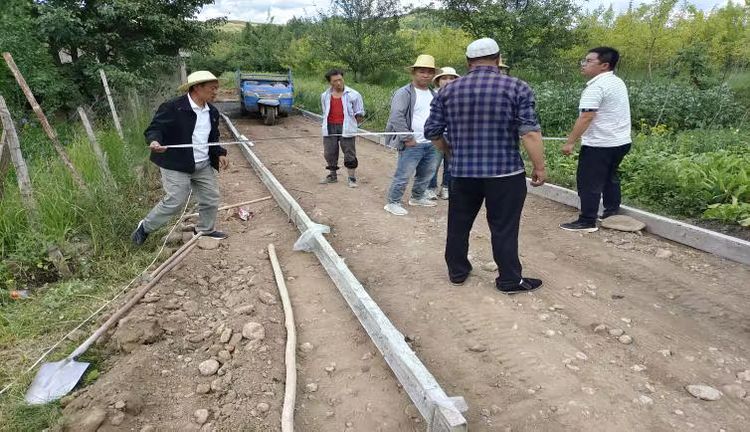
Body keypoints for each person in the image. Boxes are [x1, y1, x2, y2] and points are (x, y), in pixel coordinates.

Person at [424, 38, 546, 294]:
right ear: (498, 59)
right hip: (505, 173)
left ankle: (457, 272)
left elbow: (432, 131)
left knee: (458, 223)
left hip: (462, 173)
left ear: (468, 62)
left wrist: (448, 150)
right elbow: (529, 132)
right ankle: (509, 280)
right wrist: (539, 166)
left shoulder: (448, 91)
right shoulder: (517, 87)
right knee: (504, 227)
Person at [131, 71, 229, 245]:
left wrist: (219, 152)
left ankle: (205, 230)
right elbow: (155, 128)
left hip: (203, 164)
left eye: (216, 88)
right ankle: (145, 227)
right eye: (212, 88)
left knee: (210, 198)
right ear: (197, 88)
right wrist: (155, 141)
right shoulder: (173, 107)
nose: (216, 92)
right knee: (175, 201)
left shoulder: (212, 112)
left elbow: (213, 137)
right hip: (176, 163)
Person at [560, 47, 631, 232]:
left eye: (589, 61)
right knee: (610, 177)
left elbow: (586, 117)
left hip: (600, 144)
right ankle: (611, 212)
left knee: (589, 181)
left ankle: (587, 220)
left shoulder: (596, 87)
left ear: (604, 65)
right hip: (620, 141)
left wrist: (570, 142)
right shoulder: (616, 82)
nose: (583, 64)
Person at [383, 54, 439, 216]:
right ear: (414, 73)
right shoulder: (404, 93)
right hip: (412, 143)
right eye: (422, 71)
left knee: (427, 173)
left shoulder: (434, 94)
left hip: (431, 142)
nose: (426, 75)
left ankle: (417, 197)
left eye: (429, 72)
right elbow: (396, 116)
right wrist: (407, 138)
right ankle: (393, 202)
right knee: (404, 174)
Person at [319, 68, 365, 188]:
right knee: (329, 152)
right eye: (335, 81)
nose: (338, 83)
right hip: (330, 127)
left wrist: (357, 121)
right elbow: (325, 111)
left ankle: (351, 178)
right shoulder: (325, 96)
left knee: (349, 153)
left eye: (340, 79)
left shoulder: (354, 95)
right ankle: (332, 176)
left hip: (346, 127)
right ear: (330, 82)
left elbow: (359, 112)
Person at [427, 66, 460, 201]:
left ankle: (446, 187)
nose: (448, 81)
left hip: (453, 135)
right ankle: (431, 187)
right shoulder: (432, 95)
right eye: (444, 78)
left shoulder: (460, 95)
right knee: (433, 163)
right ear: (438, 81)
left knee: (450, 163)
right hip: (437, 136)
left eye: (451, 78)